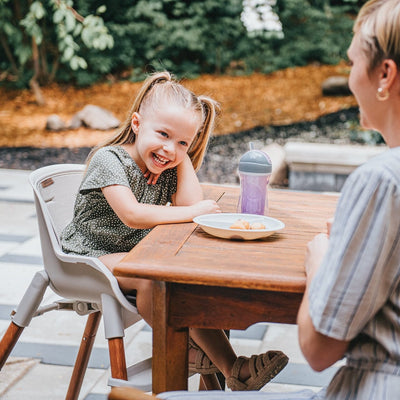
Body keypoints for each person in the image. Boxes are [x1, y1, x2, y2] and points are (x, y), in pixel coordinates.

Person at [132, 0, 400, 398]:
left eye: (351, 64)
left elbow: (320, 348)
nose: (349, 79)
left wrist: (321, 259)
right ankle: (220, 362)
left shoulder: (382, 181)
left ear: (384, 74)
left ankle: (214, 362)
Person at [60, 71, 288, 391]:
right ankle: (231, 366)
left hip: (130, 251)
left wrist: (180, 157)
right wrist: (191, 204)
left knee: (191, 276)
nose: (169, 148)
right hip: (86, 254)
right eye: (163, 134)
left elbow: (189, 203)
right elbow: (132, 215)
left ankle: (203, 355)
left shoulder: (165, 164)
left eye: (183, 141)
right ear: (137, 124)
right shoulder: (109, 159)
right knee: (153, 277)